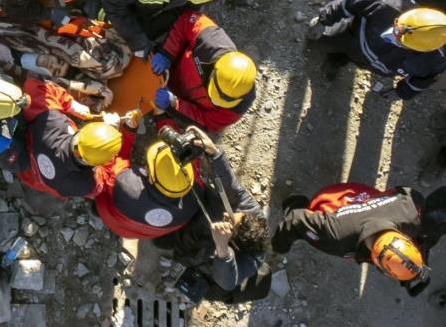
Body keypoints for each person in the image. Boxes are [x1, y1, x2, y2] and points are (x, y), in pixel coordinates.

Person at [154, 129, 272, 304]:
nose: (227, 214)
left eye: (229, 221)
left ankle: (176, 268)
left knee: (181, 255)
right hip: (197, 225)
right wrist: (215, 153)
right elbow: (233, 188)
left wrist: (222, 249)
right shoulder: (251, 212)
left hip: (202, 254)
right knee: (161, 240)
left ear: (236, 243)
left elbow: (228, 282)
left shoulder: (251, 259)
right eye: (234, 215)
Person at [273, 182, 443, 296]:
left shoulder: (411, 211)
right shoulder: (337, 238)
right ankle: (294, 200)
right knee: (305, 220)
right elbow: (295, 221)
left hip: (360, 199)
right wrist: (278, 248)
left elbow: (407, 193)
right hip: (331, 202)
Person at [307, 0, 446, 99]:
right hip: (351, 37)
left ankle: (340, 60)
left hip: (372, 64)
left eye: (399, 40)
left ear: (422, 49)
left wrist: (401, 93)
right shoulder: (387, 3)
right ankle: (335, 56)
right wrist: (323, 21)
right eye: (396, 27)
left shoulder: (435, 63)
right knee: (321, 43)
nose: (392, 34)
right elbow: (348, 2)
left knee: (356, 60)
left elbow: (422, 81)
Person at [16, 77, 126, 199]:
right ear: (99, 162)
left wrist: (70, 104)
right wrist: (112, 131)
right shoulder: (85, 184)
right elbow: (105, 177)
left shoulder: (51, 123)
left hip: (27, 161)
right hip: (35, 178)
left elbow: (34, 85)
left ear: (83, 131)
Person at [151, 10, 257, 133]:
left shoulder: (238, 107)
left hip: (182, 99)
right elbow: (187, 21)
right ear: (214, 72)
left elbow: (207, 121)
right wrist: (167, 53)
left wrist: (175, 105)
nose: (214, 100)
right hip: (168, 67)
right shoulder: (211, 40)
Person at [94, 134, 201, 239]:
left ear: (150, 178)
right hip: (141, 233)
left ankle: (95, 209)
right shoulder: (194, 202)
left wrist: (128, 131)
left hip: (112, 219)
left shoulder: (124, 184)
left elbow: (116, 157)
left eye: (149, 166)